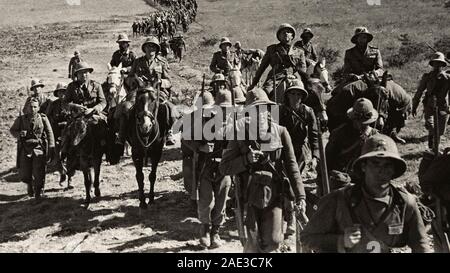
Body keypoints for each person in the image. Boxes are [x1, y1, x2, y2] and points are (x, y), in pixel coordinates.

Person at [301, 134, 432, 253]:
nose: (381, 171)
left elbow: (421, 245)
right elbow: (307, 237)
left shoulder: (405, 203)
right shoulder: (339, 199)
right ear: (363, 166)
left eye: (387, 165)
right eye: (375, 163)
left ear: (394, 170)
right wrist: (341, 241)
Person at [220, 88, 306, 253]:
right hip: (247, 197)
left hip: (274, 195)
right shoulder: (240, 133)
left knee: (273, 242)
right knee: (252, 245)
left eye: (263, 108)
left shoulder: (281, 132)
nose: (259, 112)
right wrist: (246, 160)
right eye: (254, 109)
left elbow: (292, 167)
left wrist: (300, 196)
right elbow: (224, 167)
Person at [194, 89, 233, 249]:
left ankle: (215, 232)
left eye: (227, 109)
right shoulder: (204, 123)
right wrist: (201, 147)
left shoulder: (235, 127)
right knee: (206, 202)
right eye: (221, 108)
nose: (224, 112)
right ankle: (205, 231)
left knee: (221, 202)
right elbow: (188, 140)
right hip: (206, 167)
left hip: (225, 169)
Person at [127, 36, 177, 146]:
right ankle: (124, 134)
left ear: (157, 49)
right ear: (144, 49)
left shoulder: (162, 62)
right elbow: (129, 79)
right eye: (148, 47)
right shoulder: (137, 62)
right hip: (140, 91)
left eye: (153, 47)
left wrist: (160, 82)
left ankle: (169, 132)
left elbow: (169, 81)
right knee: (126, 107)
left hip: (157, 91)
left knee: (169, 108)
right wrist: (135, 80)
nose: (151, 49)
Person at [325, 98, 379, 190]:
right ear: (353, 119)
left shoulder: (375, 136)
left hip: (365, 182)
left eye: (365, 123)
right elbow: (327, 161)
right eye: (359, 122)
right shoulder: (339, 134)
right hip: (341, 182)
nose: (362, 125)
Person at [247, 23, 307, 103]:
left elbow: (303, 70)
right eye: (283, 32)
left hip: (294, 77)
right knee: (266, 92)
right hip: (275, 77)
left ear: (292, 36)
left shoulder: (299, 51)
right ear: (279, 36)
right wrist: (254, 83)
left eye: (288, 32)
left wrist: (299, 78)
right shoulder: (272, 49)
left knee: (305, 94)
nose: (285, 33)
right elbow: (262, 68)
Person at [10, 98, 55, 199]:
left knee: (39, 172)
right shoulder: (20, 119)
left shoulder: (43, 118)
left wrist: (51, 146)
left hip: (38, 148)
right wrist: (19, 134)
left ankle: (38, 192)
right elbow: (12, 130)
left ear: (38, 108)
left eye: (35, 107)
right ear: (26, 108)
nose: (33, 109)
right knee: (25, 173)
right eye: (30, 107)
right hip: (25, 149)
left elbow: (49, 132)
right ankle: (29, 184)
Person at [412, 52, 450, 150]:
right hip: (429, 106)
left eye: (439, 63)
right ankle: (433, 149)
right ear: (432, 64)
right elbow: (419, 92)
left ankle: (433, 145)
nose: (437, 65)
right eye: (435, 63)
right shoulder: (427, 77)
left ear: (443, 65)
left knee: (441, 131)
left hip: (443, 106)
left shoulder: (447, 78)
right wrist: (414, 105)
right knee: (433, 128)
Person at [46, 83, 71, 186]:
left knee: (70, 155)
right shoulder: (53, 104)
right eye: (60, 92)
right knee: (58, 155)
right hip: (57, 133)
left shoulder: (71, 104)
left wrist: (67, 123)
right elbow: (46, 117)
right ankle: (62, 173)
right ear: (57, 93)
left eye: (65, 92)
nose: (63, 94)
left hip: (69, 133)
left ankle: (70, 179)